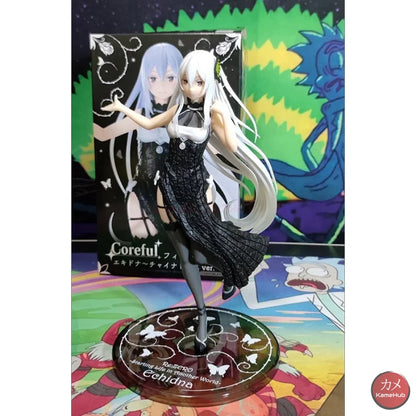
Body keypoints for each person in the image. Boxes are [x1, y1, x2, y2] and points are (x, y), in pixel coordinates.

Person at [102, 49, 277, 354]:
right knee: (184, 257)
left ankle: (230, 270)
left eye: (197, 82)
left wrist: (223, 116)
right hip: (167, 185)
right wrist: (121, 107)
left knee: (200, 250)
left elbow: (231, 145)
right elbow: (149, 124)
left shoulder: (211, 114)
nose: (189, 87)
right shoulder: (176, 108)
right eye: (185, 81)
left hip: (195, 188)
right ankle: (202, 313)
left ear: (209, 82)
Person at [94, 43, 183, 239]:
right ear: (145, 79)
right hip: (143, 187)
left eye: (170, 77)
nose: (161, 85)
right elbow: (103, 134)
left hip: (176, 187)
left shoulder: (184, 116)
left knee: (178, 237)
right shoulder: (140, 114)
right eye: (153, 78)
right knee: (143, 237)